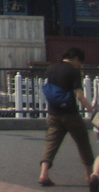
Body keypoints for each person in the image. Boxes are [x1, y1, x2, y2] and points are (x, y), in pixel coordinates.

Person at [39, 47, 96, 187]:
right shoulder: (73, 71)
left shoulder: (51, 68)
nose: (80, 65)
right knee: (83, 142)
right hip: (70, 114)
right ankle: (89, 176)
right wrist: (92, 110)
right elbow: (79, 96)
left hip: (53, 113)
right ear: (76, 58)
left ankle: (43, 174)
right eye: (80, 63)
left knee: (51, 143)